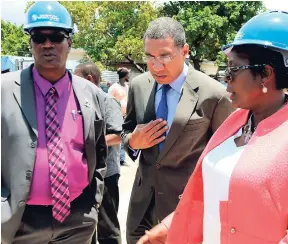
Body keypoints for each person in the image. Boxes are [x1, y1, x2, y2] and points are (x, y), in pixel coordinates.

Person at [137, 11, 288, 244]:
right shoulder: (236, 123)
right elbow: (206, 193)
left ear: (266, 74)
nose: (226, 78)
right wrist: (172, 225)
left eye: (234, 69)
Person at [1, 2, 107, 244]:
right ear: (31, 42)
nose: (47, 44)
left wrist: (92, 205)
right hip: (19, 222)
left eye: (56, 36)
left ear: (69, 42)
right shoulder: (4, 92)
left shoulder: (91, 94)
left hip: (77, 220)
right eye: (39, 37)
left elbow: (99, 153)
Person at [121, 17, 234, 244]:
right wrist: (133, 142)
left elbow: (224, 158)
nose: (156, 65)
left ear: (184, 51)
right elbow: (126, 131)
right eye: (149, 57)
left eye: (165, 56)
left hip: (184, 209)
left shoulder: (214, 95)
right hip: (141, 209)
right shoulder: (139, 86)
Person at [74, 63, 123, 244]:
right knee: (86, 224)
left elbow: (118, 134)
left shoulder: (107, 100)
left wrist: (90, 145)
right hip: (85, 175)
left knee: (107, 225)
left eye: (76, 77)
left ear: (89, 79)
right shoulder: (78, 101)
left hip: (106, 174)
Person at [109, 67, 130, 166]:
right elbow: (109, 101)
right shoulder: (114, 87)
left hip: (126, 115)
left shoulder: (127, 86)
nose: (129, 76)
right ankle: (118, 159)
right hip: (117, 116)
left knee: (124, 136)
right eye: (128, 74)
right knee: (118, 136)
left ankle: (122, 158)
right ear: (125, 76)